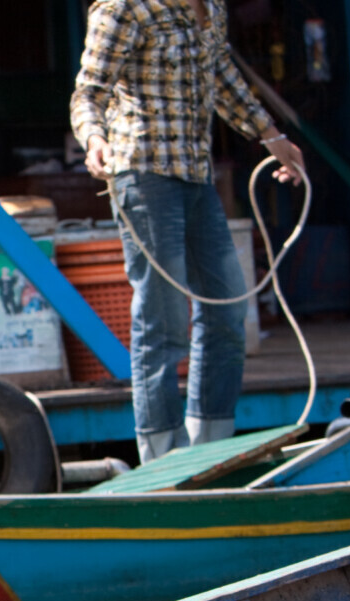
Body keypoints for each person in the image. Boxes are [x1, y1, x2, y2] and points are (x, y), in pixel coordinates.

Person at [70, 0, 305, 463]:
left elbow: (221, 78)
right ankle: (162, 452)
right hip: (142, 172)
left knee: (228, 307)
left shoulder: (213, 7)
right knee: (164, 320)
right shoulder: (124, 9)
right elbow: (89, 92)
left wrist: (271, 136)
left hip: (196, 176)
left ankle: (211, 446)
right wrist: (94, 138)